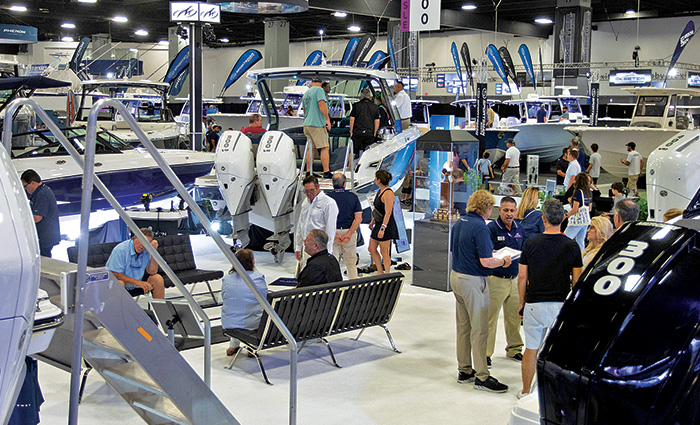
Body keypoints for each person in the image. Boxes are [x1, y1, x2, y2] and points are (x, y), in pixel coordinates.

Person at [517, 199, 583, 398]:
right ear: (564, 218)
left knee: (531, 348)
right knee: (559, 352)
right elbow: (577, 282)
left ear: (543, 219)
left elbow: (522, 277)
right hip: (560, 306)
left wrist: (521, 303)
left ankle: (526, 391)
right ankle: (556, 394)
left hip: (534, 304)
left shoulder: (530, 244)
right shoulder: (572, 246)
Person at [450, 189, 510, 393]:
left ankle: (464, 369)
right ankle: (482, 376)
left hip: (457, 277)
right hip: (473, 281)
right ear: (485, 207)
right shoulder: (480, 228)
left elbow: (453, 251)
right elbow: (485, 261)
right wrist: (503, 261)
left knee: (464, 326)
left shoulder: (460, 223)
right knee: (480, 329)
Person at [486, 197, 524, 367]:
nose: (509, 214)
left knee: (514, 317)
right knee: (490, 319)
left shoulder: (519, 227)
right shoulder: (491, 229)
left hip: (514, 280)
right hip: (496, 280)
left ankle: (514, 349)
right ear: (499, 210)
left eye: (512, 210)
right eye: (505, 210)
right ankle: (485, 353)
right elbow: (485, 253)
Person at [221, 249, 267, 356]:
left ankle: (233, 346)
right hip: (252, 323)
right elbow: (265, 301)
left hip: (229, 323)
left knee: (236, 309)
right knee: (253, 312)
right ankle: (253, 347)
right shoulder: (258, 278)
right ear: (252, 262)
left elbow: (224, 297)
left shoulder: (227, 278)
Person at [106, 228, 165, 299]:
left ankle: (160, 308)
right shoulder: (120, 250)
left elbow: (152, 272)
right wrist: (137, 282)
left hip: (137, 283)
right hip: (123, 284)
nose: (143, 246)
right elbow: (114, 274)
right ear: (135, 237)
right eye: (142, 241)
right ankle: (119, 310)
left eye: (147, 243)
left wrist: (153, 252)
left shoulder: (147, 249)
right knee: (119, 283)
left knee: (157, 279)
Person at [295, 175, 338, 264]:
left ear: (318, 187)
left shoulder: (329, 203)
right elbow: (301, 225)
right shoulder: (305, 202)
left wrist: (328, 252)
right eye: (306, 191)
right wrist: (298, 247)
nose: (309, 193)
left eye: (311, 190)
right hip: (307, 247)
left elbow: (330, 230)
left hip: (320, 249)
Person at [327, 173, 362, 279]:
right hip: (348, 232)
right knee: (351, 262)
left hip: (332, 233)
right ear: (345, 184)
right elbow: (358, 218)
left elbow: (323, 219)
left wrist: (334, 234)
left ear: (332, 184)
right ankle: (353, 287)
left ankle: (334, 287)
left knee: (333, 263)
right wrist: (349, 234)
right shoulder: (353, 197)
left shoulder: (327, 198)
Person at [20, 169, 60, 258]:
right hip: (45, 236)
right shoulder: (40, 191)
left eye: (25, 186)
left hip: (45, 237)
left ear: (33, 183)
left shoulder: (42, 194)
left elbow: (37, 217)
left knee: (44, 261)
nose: (25, 189)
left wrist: (22, 222)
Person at [369, 170, 399, 274]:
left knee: (384, 252)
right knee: (371, 248)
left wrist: (383, 228)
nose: (374, 180)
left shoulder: (388, 193)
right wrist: (373, 221)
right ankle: (380, 271)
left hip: (386, 225)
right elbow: (378, 209)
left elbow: (388, 212)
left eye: (376, 178)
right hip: (378, 222)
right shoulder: (380, 190)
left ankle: (387, 273)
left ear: (379, 180)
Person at [302, 77, 332, 179]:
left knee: (312, 148)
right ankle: (326, 172)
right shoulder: (319, 90)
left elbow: (304, 111)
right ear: (320, 83)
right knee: (324, 147)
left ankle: (308, 171)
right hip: (317, 124)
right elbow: (321, 103)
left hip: (307, 124)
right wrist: (327, 119)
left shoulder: (306, 93)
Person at [564, 173, 592, 251]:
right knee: (580, 241)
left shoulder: (578, 192)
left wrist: (566, 215)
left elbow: (575, 209)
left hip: (577, 221)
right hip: (586, 220)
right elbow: (590, 208)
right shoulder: (589, 192)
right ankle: (581, 258)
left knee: (565, 239)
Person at [349, 88, 380, 160]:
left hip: (357, 132)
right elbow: (377, 121)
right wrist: (375, 133)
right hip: (369, 133)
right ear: (369, 96)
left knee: (354, 150)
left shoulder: (356, 105)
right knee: (369, 151)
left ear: (361, 96)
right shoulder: (375, 107)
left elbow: (352, 119)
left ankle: (350, 167)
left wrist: (351, 131)